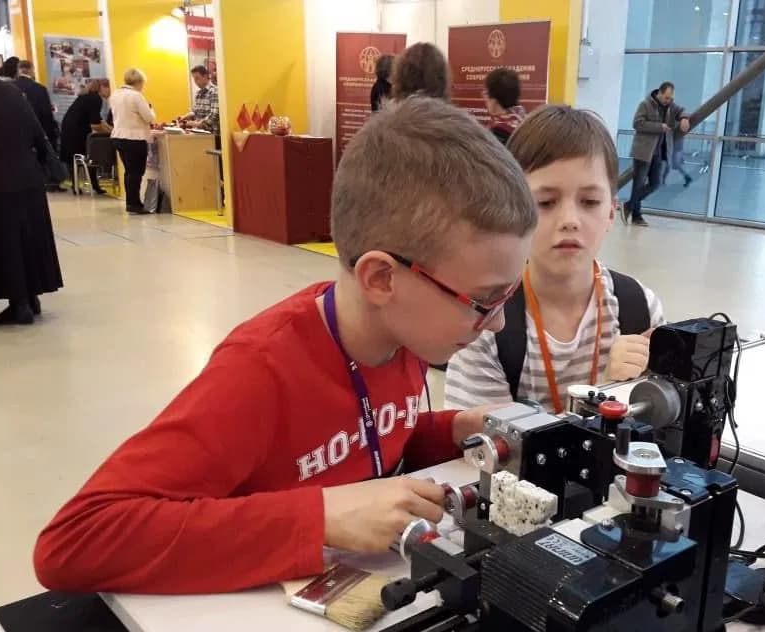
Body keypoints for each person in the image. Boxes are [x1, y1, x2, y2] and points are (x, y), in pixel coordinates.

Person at [33, 97, 537, 594]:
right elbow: (74, 541)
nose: (493, 325)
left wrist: (450, 431)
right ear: (382, 278)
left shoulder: (405, 336)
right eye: (483, 301)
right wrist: (317, 518)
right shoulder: (258, 371)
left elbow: (368, 434)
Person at [445, 105, 664, 412]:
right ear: (515, 210)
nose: (569, 220)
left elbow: (657, 427)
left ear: (612, 211)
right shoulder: (485, 325)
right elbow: (480, 450)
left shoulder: (639, 308)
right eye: (546, 202)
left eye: (589, 202)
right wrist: (605, 389)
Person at [0, 75, 63, 325]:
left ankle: (19, 304)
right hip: (28, 178)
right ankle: (29, 300)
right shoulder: (10, 91)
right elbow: (37, 134)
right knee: (26, 239)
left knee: (2, 242)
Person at [622, 81, 690, 227]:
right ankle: (636, 216)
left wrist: (684, 118)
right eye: (666, 97)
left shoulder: (671, 106)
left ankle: (629, 205)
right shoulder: (645, 105)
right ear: (659, 93)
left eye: (671, 98)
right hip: (643, 151)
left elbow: (682, 110)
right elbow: (637, 123)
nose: (669, 101)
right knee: (638, 184)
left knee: (655, 183)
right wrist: (659, 127)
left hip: (658, 153)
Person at [109, 68, 155, 214]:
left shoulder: (115, 94)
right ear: (140, 82)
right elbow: (149, 118)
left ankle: (130, 202)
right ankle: (135, 204)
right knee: (136, 172)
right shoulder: (136, 96)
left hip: (118, 136)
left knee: (129, 171)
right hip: (134, 138)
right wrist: (151, 109)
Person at [60, 78, 112, 195]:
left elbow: (98, 120)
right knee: (92, 156)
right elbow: (95, 124)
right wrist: (111, 133)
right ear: (103, 87)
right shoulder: (96, 99)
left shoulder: (87, 96)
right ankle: (94, 185)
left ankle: (76, 185)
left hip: (69, 129)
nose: (110, 93)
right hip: (77, 131)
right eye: (110, 89)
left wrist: (111, 129)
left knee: (74, 159)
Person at [14, 61, 60, 150]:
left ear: (18, 70)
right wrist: (52, 138)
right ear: (31, 69)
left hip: (16, 133)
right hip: (36, 132)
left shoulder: (9, 87)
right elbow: (46, 115)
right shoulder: (39, 88)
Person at [484, 67, 526, 145]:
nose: (484, 97)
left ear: (494, 100)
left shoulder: (496, 133)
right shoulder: (526, 122)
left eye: (486, 92)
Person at [179, 65, 219, 132]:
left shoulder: (215, 91)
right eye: (194, 79)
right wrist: (186, 116)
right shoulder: (198, 94)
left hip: (212, 135)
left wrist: (197, 124)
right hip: (199, 133)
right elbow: (195, 112)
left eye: (197, 78)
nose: (195, 81)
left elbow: (214, 115)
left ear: (205, 76)